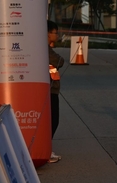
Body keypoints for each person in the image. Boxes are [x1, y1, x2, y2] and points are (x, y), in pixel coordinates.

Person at [47, 20, 65, 163]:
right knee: (53, 121)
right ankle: (46, 150)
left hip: (50, 88)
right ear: (47, 34)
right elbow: (59, 61)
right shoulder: (45, 49)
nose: (57, 35)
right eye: (55, 32)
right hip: (49, 89)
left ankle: (46, 149)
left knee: (52, 121)